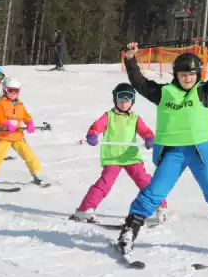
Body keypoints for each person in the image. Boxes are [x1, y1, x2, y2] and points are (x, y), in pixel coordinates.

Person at [115, 30, 208, 258]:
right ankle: (128, 232)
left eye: (191, 74)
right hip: (173, 153)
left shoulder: (206, 92)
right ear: (176, 75)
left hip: (200, 152)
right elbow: (139, 83)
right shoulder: (164, 93)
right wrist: (131, 58)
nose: (187, 78)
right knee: (154, 193)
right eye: (183, 74)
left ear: (198, 74)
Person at [70, 83, 168, 224]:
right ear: (115, 99)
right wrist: (92, 134)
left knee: (143, 180)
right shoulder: (109, 116)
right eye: (120, 100)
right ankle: (85, 209)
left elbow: (145, 131)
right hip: (113, 157)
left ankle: (160, 204)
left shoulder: (135, 118)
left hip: (130, 156)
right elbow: (97, 126)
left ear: (132, 102)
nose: (123, 103)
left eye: (127, 101)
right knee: (104, 183)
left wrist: (149, 138)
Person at [0, 77, 43, 188]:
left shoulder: (19, 104)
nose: (13, 93)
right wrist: (6, 124)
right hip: (4, 136)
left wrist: (29, 122)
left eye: (16, 91)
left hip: (17, 136)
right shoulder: (0, 103)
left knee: (29, 155)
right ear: (5, 90)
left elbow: (25, 116)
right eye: (11, 90)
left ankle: (37, 174)